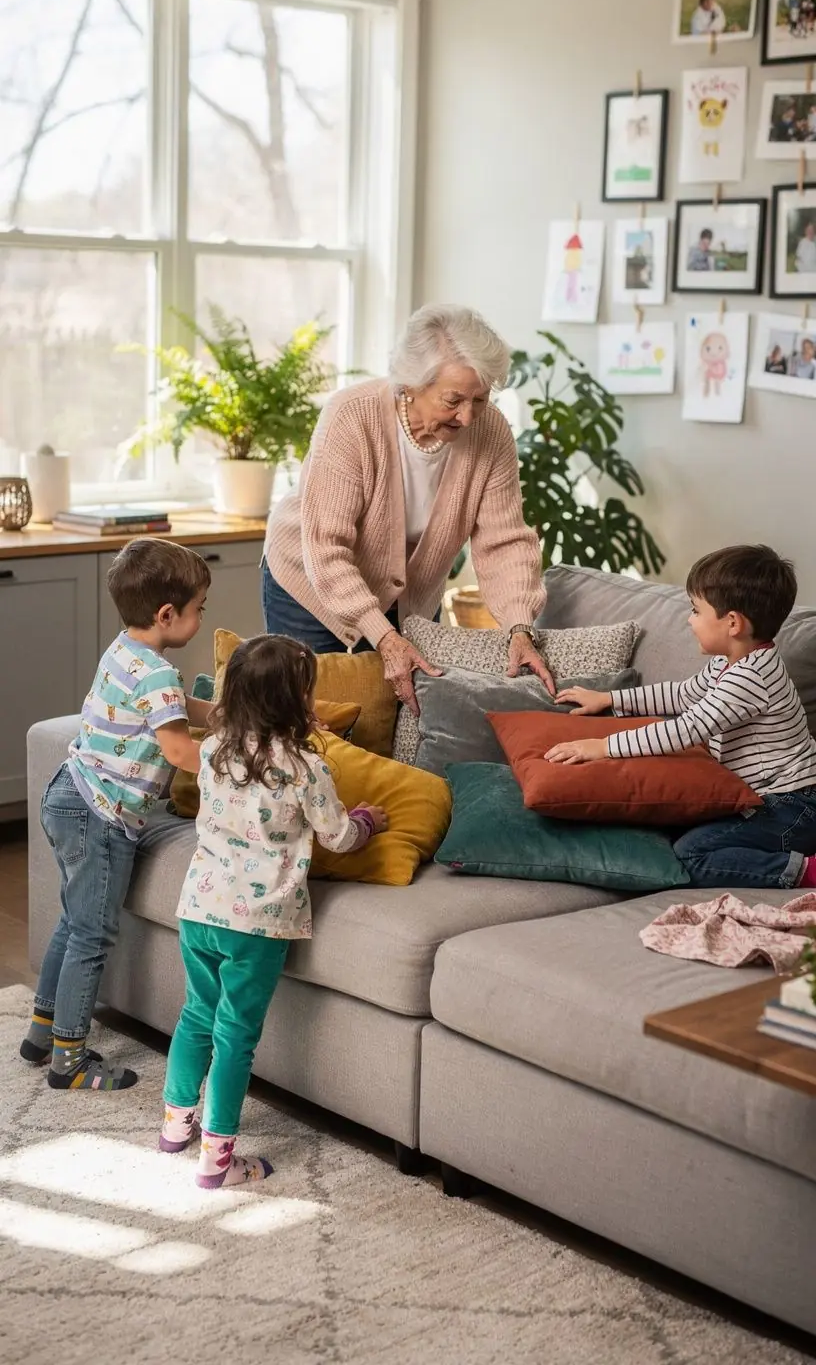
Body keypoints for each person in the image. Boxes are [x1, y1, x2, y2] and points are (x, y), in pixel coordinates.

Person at [158, 635, 388, 1188]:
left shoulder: (212, 749)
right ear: (295, 702)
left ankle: (174, 1127)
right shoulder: (306, 769)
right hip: (256, 924)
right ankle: (218, 1161)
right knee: (235, 1034)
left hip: (198, 908)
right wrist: (366, 823)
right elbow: (336, 837)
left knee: (196, 1015)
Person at [263, 304, 553, 715]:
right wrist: (382, 635)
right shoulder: (352, 415)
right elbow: (326, 547)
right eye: (453, 400)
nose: (468, 416)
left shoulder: (491, 434)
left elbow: (504, 542)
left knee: (399, 717)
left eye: (481, 400)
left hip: (410, 593)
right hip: (311, 584)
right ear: (412, 384)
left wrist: (519, 627)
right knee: (309, 716)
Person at [20, 539, 211, 1090]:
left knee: (72, 922)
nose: (201, 618)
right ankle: (70, 1060)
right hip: (101, 818)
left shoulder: (126, 651)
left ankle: (42, 1030)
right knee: (92, 936)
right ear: (167, 615)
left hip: (68, 795)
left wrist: (215, 712)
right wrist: (234, 766)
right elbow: (178, 750)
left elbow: (171, 704)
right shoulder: (157, 673)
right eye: (200, 608)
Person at [547, 545, 816, 893]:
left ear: (732, 623)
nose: (688, 619)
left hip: (792, 804)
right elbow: (683, 695)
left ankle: (806, 872)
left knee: (691, 856)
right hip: (766, 797)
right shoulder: (729, 663)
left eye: (696, 610)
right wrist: (610, 698)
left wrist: (603, 746)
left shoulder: (751, 678)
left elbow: (686, 728)